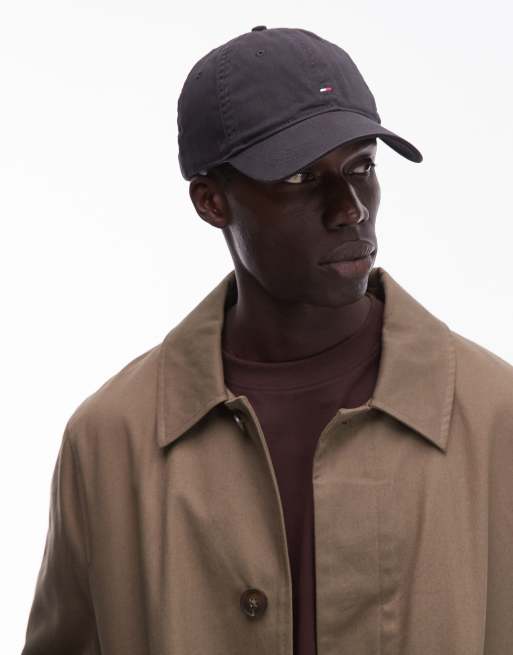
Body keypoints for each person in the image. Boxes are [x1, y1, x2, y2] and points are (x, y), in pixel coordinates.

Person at [21, 26, 513, 655]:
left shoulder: (495, 418)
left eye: (362, 167)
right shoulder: (109, 441)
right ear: (211, 202)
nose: (350, 209)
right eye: (302, 177)